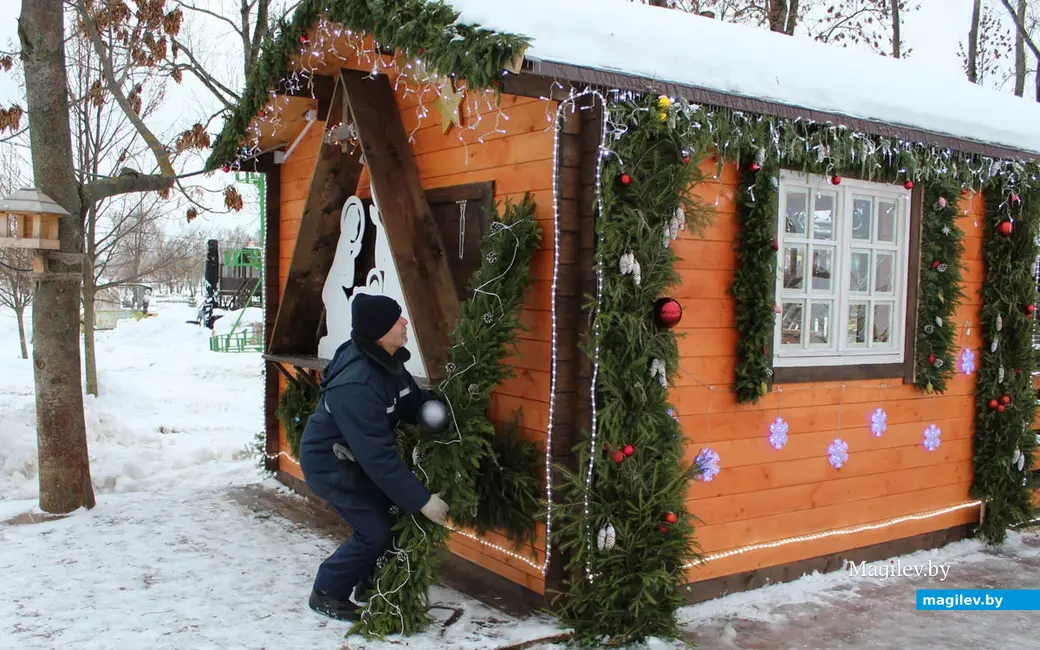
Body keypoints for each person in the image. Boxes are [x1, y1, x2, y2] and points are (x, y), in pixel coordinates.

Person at [298, 294, 450, 621]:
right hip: (330, 463)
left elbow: (408, 399)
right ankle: (326, 592)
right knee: (374, 530)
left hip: (355, 459)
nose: (405, 322)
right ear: (381, 330)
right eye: (398, 319)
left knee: (388, 517)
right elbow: (378, 458)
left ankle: (368, 583)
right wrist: (422, 501)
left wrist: (432, 411)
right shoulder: (358, 384)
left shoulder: (386, 360)